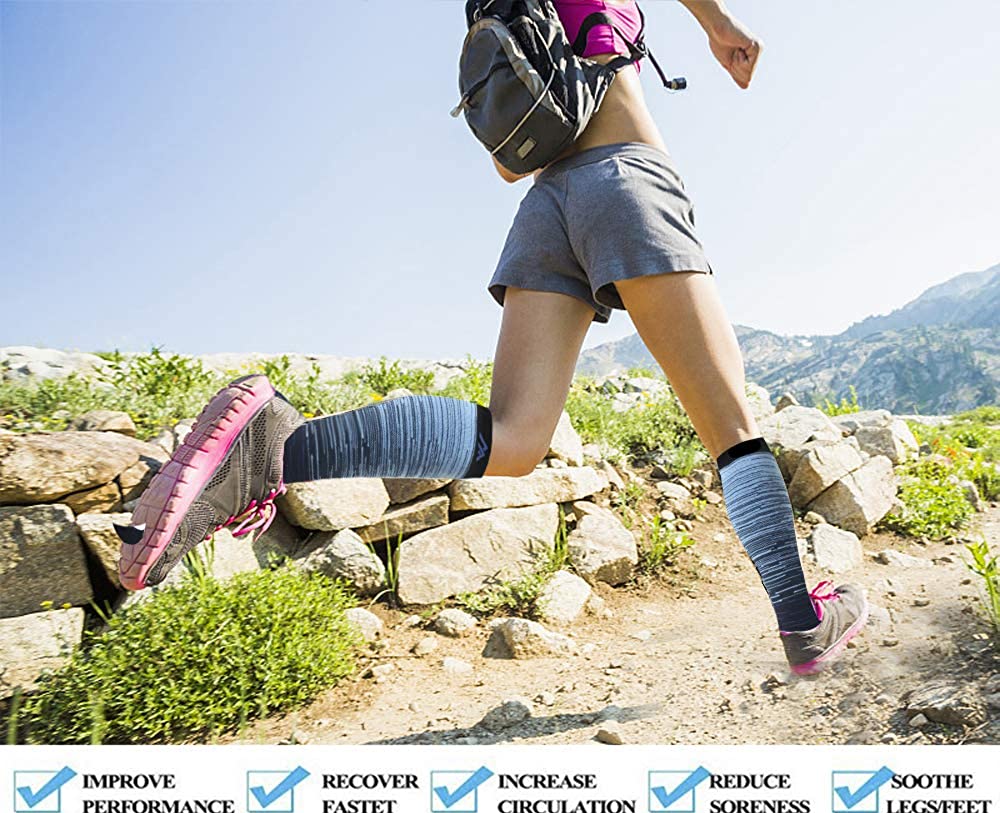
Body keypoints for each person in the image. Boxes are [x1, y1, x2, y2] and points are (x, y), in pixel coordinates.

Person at [117, 0, 867, 675]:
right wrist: (719, 24)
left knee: (513, 440)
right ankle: (802, 620)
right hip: (626, 180)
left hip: (548, 203)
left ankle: (276, 449)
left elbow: (511, 151)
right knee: (732, 428)